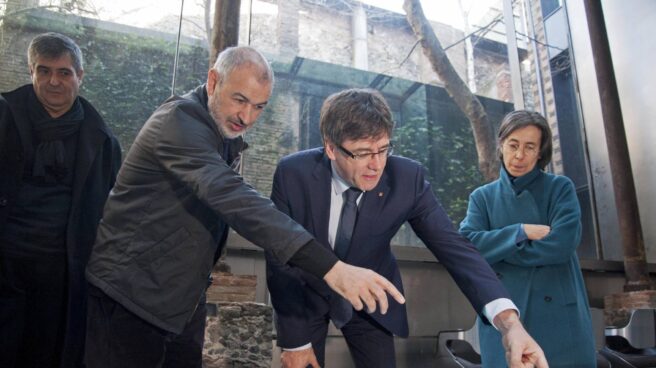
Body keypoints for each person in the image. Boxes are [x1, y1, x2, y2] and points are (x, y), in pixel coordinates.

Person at [84, 46, 404, 368]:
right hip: (129, 296)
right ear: (213, 82)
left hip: (179, 303)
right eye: (240, 100)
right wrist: (332, 267)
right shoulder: (178, 122)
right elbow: (236, 200)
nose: (247, 117)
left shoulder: (220, 134)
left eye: (259, 107)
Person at [265, 88, 548, 368]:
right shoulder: (294, 174)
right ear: (330, 147)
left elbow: (456, 249)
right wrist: (294, 342)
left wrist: (509, 323)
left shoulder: (407, 179)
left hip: (371, 300)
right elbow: (280, 259)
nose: (376, 165)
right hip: (306, 297)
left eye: (383, 149)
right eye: (363, 153)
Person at [0, 32, 121, 368]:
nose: (54, 81)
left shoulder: (102, 141)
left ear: (80, 76)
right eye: (43, 71)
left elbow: (111, 214)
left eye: (64, 72)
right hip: (4, 264)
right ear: (31, 72)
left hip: (62, 273)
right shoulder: (4, 115)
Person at [459, 110, 596, 367]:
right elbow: (467, 246)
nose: (519, 155)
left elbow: (561, 246)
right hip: (506, 314)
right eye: (513, 145)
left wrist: (498, 249)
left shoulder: (560, 188)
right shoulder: (482, 197)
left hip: (559, 318)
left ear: (540, 153)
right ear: (501, 145)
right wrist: (521, 231)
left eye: (529, 147)